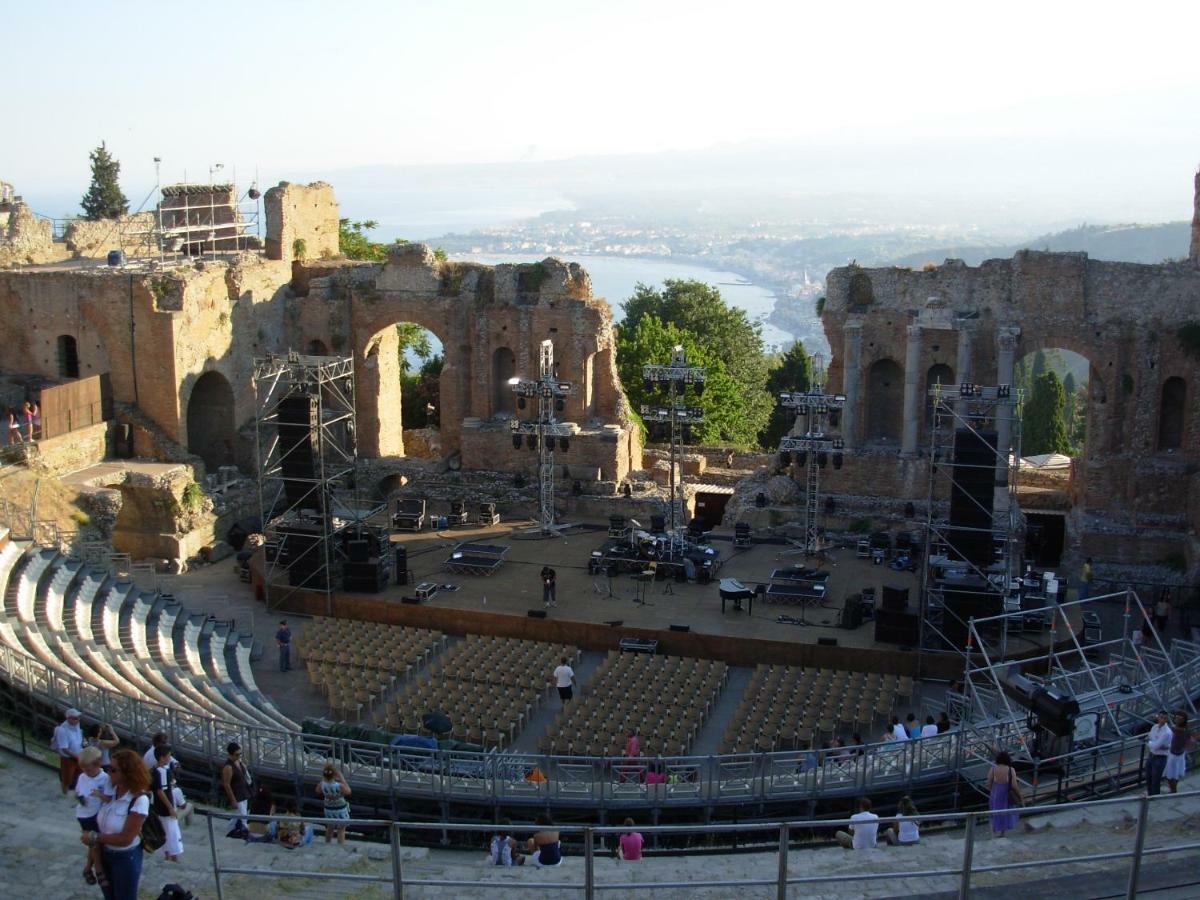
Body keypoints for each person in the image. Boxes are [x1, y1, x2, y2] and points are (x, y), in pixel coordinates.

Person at [80, 748, 151, 900]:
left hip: (125, 858)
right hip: (106, 854)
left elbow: (126, 838)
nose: (108, 772)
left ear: (127, 774)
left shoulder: (138, 800)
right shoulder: (111, 791)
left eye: (112, 769)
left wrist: (94, 837)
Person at [75, 746, 113, 885]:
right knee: (94, 843)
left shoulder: (105, 779)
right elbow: (78, 792)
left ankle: (87, 868)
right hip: (85, 814)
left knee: (94, 844)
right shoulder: (82, 777)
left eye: (89, 769)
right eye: (84, 769)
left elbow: (109, 798)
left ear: (98, 765)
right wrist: (80, 798)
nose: (86, 772)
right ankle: (99, 870)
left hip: (98, 814)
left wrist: (100, 795)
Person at [151, 745, 183, 861]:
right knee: (172, 832)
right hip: (165, 807)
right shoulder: (163, 772)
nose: (170, 758)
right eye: (168, 756)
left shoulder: (154, 770)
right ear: (162, 757)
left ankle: (168, 854)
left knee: (165, 831)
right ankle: (173, 856)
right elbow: (161, 791)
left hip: (158, 806)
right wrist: (170, 807)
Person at [221, 742, 254, 837]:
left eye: (240, 754)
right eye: (237, 754)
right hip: (237, 794)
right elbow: (226, 784)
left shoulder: (239, 762)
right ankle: (246, 831)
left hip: (243, 791)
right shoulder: (228, 767)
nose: (239, 756)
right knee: (243, 815)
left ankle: (230, 828)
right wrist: (233, 800)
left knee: (239, 814)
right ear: (231, 754)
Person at [986, 750, 1022, 836]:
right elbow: (1014, 785)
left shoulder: (993, 769)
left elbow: (988, 783)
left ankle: (994, 830)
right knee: (1005, 812)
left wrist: (992, 791)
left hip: (995, 794)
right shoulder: (1011, 770)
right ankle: (1003, 832)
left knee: (994, 811)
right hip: (1005, 794)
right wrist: (1019, 795)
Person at [317, 762, 352, 844]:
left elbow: (317, 791)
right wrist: (342, 778)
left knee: (330, 827)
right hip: (340, 808)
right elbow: (348, 791)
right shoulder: (338, 785)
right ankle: (340, 847)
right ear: (335, 775)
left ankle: (327, 843)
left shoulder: (322, 784)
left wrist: (323, 779)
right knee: (341, 829)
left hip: (328, 808)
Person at [52, 708, 84, 796]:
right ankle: (64, 793)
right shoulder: (62, 730)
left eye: (78, 718)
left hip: (78, 754)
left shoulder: (77, 726)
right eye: (75, 718)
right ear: (69, 718)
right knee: (67, 778)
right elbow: (64, 748)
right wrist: (76, 756)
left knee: (81, 775)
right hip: (68, 758)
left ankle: (79, 792)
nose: (78, 720)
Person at [1146, 710, 1172, 796]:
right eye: (1161, 717)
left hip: (1160, 758)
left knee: (1155, 781)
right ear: (1158, 717)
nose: (1162, 720)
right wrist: (1155, 743)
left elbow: (1154, 745)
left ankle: (1155, 798)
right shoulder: (1155, 727)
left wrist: (1152, 743)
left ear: (1167, 719)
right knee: (1148, 778)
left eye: (1164, 718)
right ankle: (1150, 796)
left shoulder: (1167, 733)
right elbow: (1150, 737)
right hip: (1151, 755)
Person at [1165, 711, 1190, 793]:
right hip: (1178, 753)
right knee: (1175, 773)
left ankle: (1173, 790)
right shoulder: (1183, 729)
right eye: (1176, 717)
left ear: (1184, 720)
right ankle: (1173, 789)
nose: (1177, 719)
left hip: (1174, 754)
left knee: (1170, 773)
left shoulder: (1178, 729)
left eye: (1180, 718)